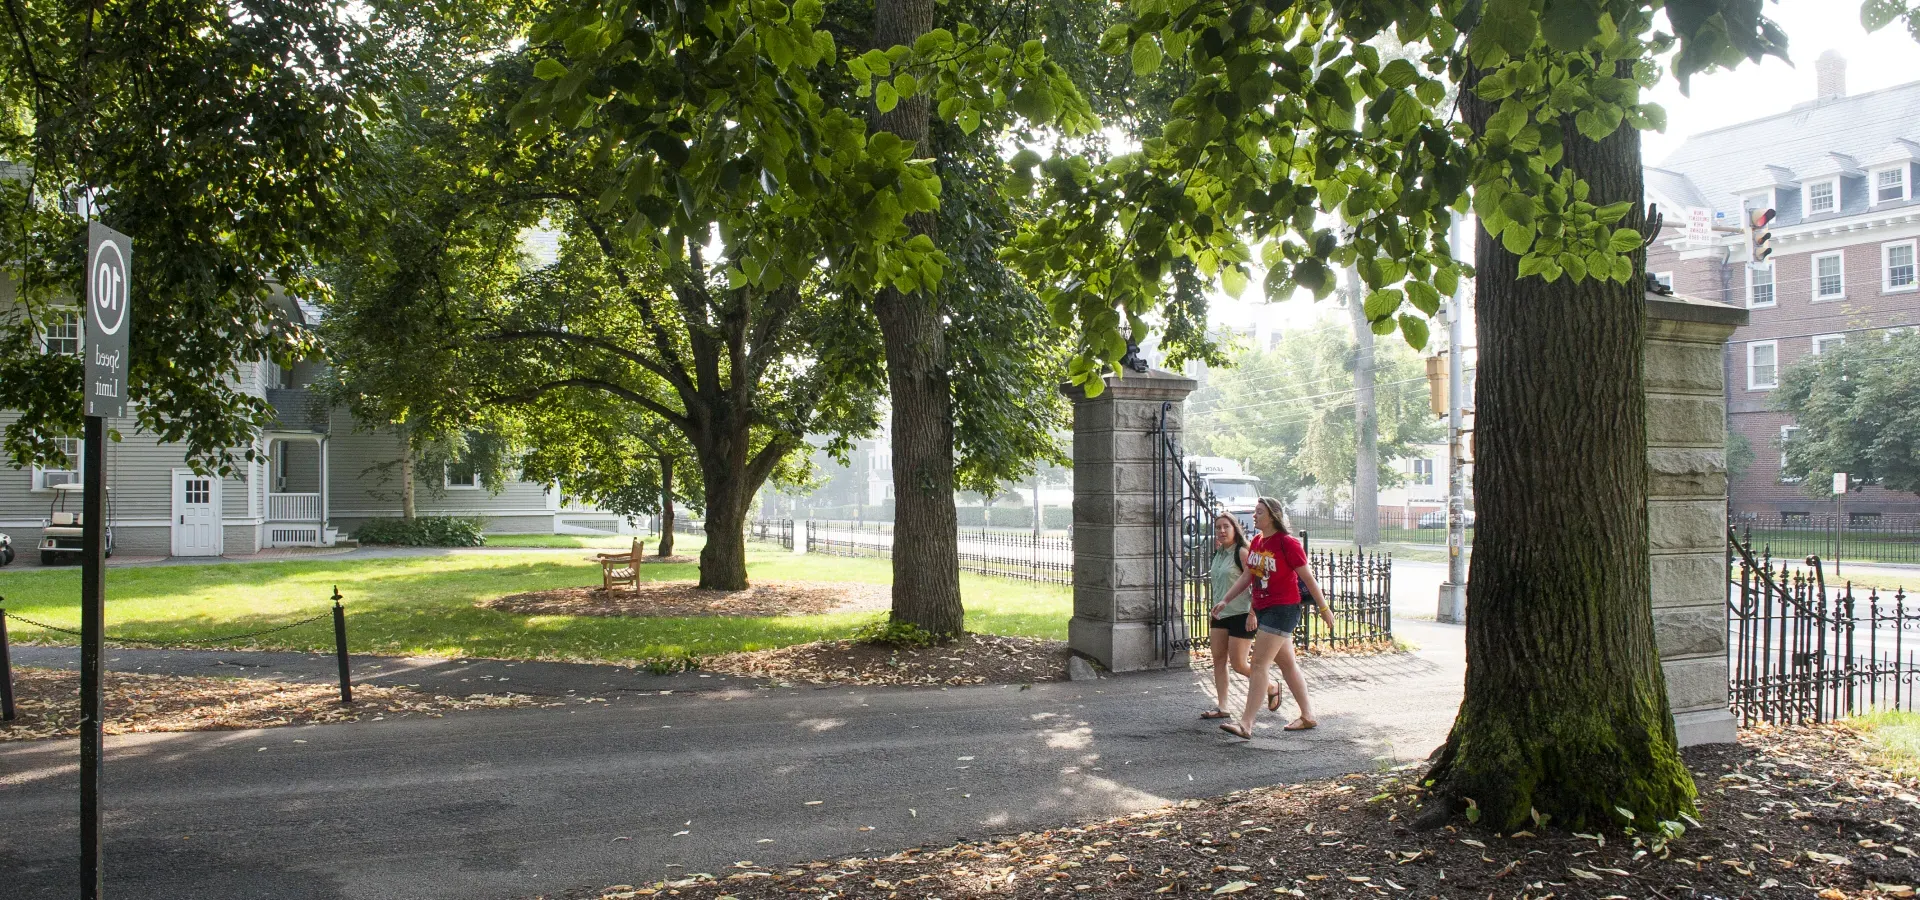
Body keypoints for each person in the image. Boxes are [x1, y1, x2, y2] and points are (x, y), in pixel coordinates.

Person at [1214, 496, 1336, 738]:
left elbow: (1308, 578)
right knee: (1287, 663)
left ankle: (1246, 724)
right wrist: (1226, 599)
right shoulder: (1258, 542)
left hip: (1283, 609)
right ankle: (1308, 715)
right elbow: (1247, 576)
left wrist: (1324, 609)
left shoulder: (1287, 544)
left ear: (1272, 515)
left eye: (1259, 512)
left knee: (1259, 664)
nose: (1254, 516)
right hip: (1263, 607)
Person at [1201, 512, 1279, 719]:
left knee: (1238, 664)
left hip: (1241, 613)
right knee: (1218, 659)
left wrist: (1253, 612)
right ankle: (1223, 707)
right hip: (1220, 614)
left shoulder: (1242, 553)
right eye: (1218, 527)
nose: (1222, 531)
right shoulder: (1219, 553)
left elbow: (1255, 582)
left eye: (1226, 526)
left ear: (1235, 528)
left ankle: (1271, 685)